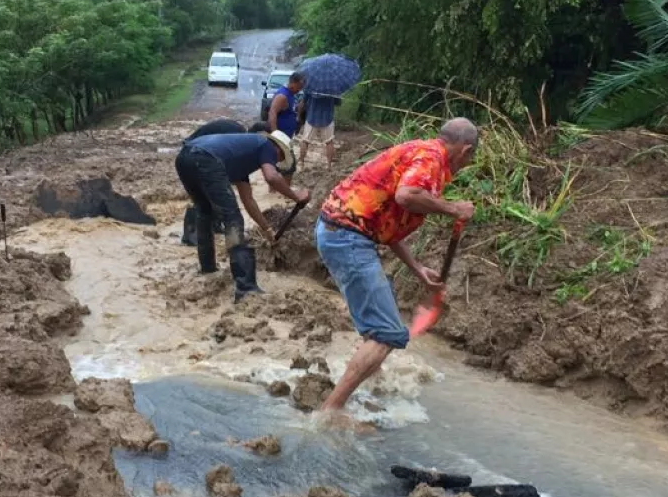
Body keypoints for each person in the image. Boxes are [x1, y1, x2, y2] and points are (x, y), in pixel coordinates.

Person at [314, 118, 479, 412]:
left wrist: (417, 268)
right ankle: (331, 411)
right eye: (470, 159)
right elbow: (406, 196)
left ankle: (368, 384)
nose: (465, 165)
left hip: (341, 233)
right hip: (347, 237)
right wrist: (454, 208)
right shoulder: (431, 158)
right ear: (465, 150)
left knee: (377, 329)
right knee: (387, 333)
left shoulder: (421, 153)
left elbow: (388, 222)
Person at [175, 129, 309, 301]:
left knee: (205, 211)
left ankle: (207, 268)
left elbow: (248, 201)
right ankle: (245, 287)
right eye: (279, 159)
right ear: (278, 149)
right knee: (233, 219)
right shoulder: (266, 145)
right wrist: (295, 195)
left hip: (184, 158)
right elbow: (272, 177)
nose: (276, 162)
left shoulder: (241, 160)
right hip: (205, 159)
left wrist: (267, 229)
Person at [180, 119, 262, 246]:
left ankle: (216, 225)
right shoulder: (238, 138)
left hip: (199, 151)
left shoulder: (239, 137)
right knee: (205, 194)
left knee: (218, 192)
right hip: (197, 152)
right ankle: (190, 234)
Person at [298, 93, 342, 168]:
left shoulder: (311, 85)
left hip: (312, 118)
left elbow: (303, 102)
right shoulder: (333, 88)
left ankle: (301, 162)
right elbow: (338, 103)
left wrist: (299, 116)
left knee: (305, 141)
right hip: (327, 118)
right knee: (329, 142)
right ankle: (329, 165)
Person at [267, 72, 305, 137]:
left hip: (287, 135)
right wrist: (275, 135)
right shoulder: (282, 96)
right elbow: (272, 114)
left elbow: (290, 110)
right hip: (280, 135)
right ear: (293, 83)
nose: (299, 90)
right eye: (299, 87)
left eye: (301, 88)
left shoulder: (291, 94)